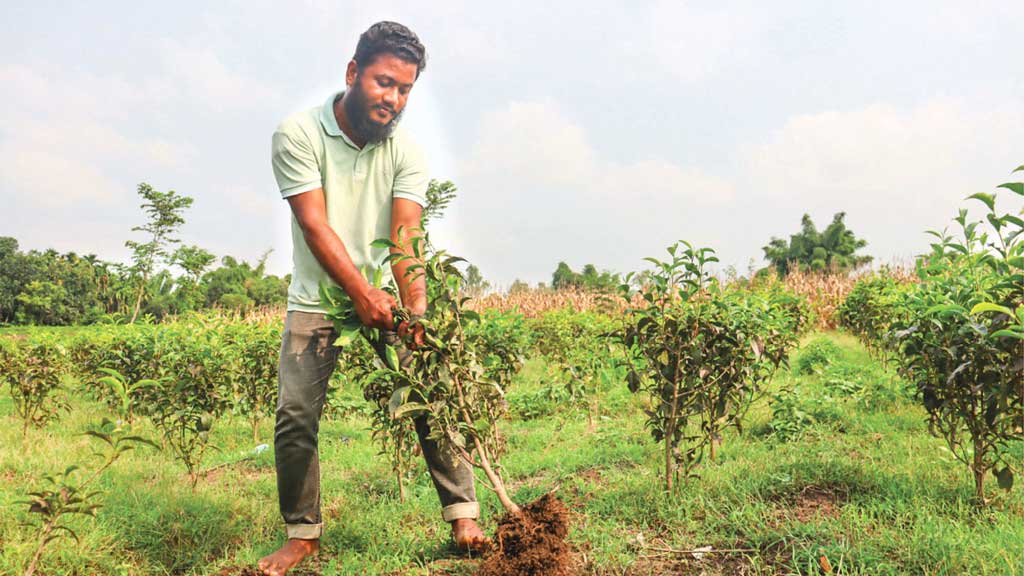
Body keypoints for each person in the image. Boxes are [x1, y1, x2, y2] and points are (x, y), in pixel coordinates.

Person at [258, 21, 487, 576]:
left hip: (384, 294)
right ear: (354, 73)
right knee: (294, 414)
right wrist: (358, 291)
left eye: (405, 89)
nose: (393, 99)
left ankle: (463, 513)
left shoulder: (406, 152)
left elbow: (406, 238)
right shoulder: (299, 133)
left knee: (430, 387)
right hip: (319, 296)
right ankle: (302, 534)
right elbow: (315, 225)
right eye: (385, 83)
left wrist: (416, 314)